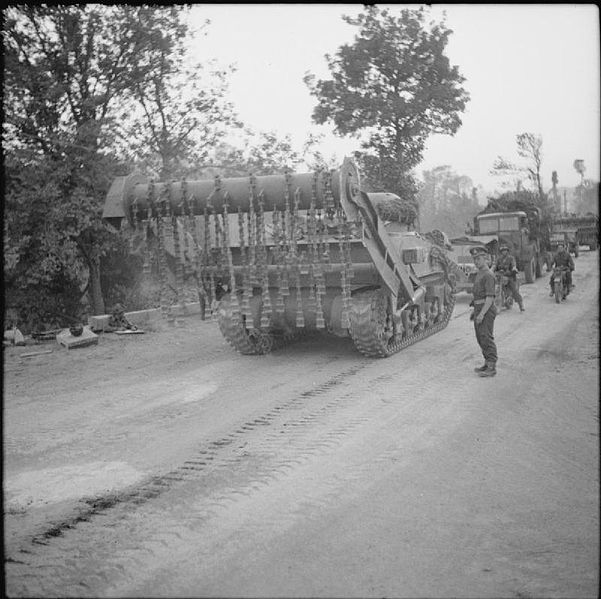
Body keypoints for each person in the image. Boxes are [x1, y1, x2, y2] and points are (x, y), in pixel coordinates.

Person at [470, 246, 497, 377]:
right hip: (478, 308)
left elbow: (490, 297)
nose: (476, 261)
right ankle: (487, 362)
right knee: (480, 338)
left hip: (486, 310)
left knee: (486, 337)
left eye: (479, 259)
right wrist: (475, 311)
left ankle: (492, 366)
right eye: (475, 259)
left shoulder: (488, 275)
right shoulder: (479, 273)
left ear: (485, 259)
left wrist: (481, 314)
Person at [494, 245, 525, 311]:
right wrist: (491, 270)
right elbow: (494, 265)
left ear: (507, 251)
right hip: (500, 276)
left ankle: (521, 304)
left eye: (505, 250)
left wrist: (514, 268)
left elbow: (513, 264)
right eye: (502, 251)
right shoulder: (498, 259)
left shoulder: (511, 258)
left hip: (509, 276)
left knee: (514, 290)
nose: (504, 252)